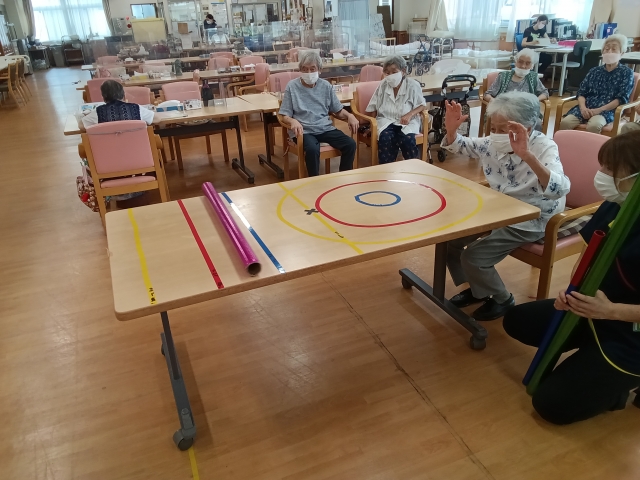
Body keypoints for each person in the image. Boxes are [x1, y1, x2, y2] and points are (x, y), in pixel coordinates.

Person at [503, 131, 640, 425]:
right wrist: (572, 292)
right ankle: (592, 357)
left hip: (630, 333)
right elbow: (590, 251)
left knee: (551, 405)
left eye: (612, 170)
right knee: (516, 320)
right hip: (593, 311)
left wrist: (612, 311)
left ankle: (619, 387)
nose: (602, 175)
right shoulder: (617, 204)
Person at [441, 92, 571, 321]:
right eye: (494, 128)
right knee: (450, 241)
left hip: (533, 216)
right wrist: (451, 130)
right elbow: (463, 146)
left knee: (473, 257)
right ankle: (478, 288)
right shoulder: (494, 143)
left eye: (503, 129)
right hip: (500, 209)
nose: (496, 134)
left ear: (527, 128)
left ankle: (503, 299)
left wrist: (527, 155)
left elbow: (560, 188)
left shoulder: (544, 146)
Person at [278, 51, 358, 176]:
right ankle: (314, 181)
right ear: (300, 70)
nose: (308, 72)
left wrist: (350, 115)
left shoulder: (326, 86)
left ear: (320, 70)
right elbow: (284, 115)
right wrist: (293, 121)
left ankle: (343, 177)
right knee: (312, 149)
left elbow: (337, 110)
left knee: (350, 144)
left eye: (312, 69)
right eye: (305, 69)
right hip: (303, 130)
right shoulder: (292, 86)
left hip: (324, 128)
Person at [559, 34, 634, 134]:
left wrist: (598, 110)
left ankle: (589, 145)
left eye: (614, 49)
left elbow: (621, 99)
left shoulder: (626, 73)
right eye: (606, 49)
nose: (609, 52)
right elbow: (581, 93)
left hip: (607, 111)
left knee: (594, 126)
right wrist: (583, 108)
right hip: (585, 108)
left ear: (622, 53)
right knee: (565, 123)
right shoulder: (594, 71)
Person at [364, 55, 426, 163]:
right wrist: (371, 126)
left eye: (394, 72)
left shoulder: (413, 85)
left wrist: (410, 114)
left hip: (407, 122)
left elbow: (422, 105)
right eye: (387, 73)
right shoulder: (383, 85)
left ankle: (413, 168)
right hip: (386, 121)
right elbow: (373, 105)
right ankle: (387, 169)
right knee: (386, 138)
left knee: (407, 139)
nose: (390, 75)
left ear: (403, 71)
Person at [484, 48, 549, 131]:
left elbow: (545, 93)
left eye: (528, 63)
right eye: (520, 62)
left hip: (525, 113)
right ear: (515, 61)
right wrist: (494, 101)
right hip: (504, 112)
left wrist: (535, 99)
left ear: (532, 66)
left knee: (537, 123)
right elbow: (487, 94)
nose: (523, 66)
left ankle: (528, 139)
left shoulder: (533, 78)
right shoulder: (503, 76)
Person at [82, 80, 156, 129]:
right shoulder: (136, 108)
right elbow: (156, 118)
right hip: (138, 147)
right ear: (123, 94)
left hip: (108, 147)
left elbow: (82, 125)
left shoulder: (99, 112)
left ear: (103, 97)